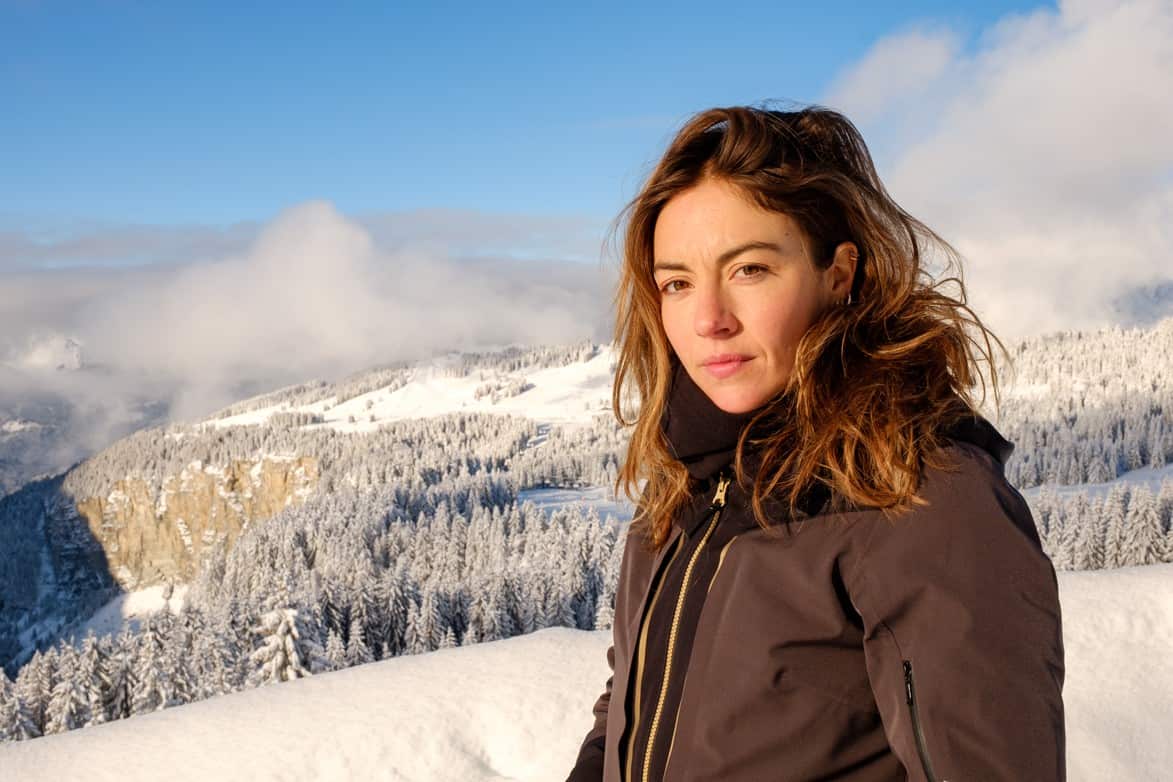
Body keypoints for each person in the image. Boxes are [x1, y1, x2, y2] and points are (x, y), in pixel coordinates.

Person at [565, 104, 1065, 781]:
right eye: (676, 283)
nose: (708, 318)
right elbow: (632, 702)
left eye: (749, 270)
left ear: (838, 272)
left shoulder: (922, 501)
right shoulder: (687, 484)